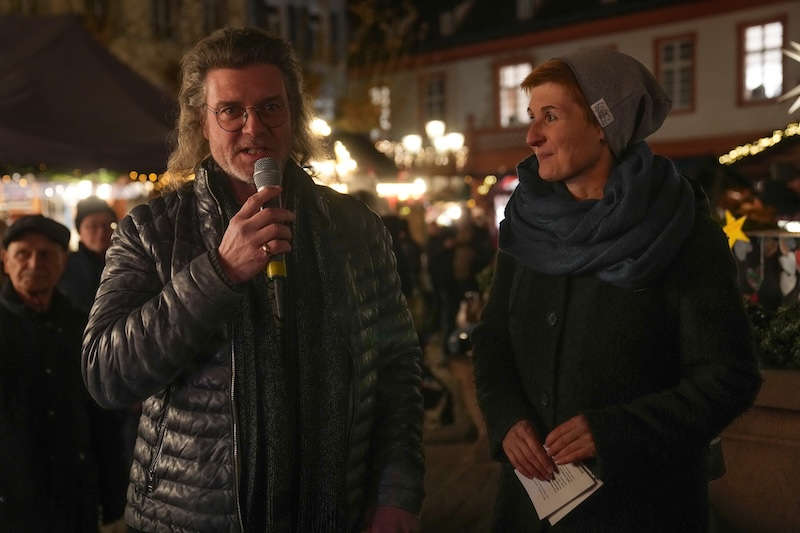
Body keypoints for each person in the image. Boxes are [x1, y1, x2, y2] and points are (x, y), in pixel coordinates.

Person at [82, 27, 424, 533]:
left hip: (335, 512)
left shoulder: (356, 229)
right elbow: (105, 374)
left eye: (270, 107)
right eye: (231, 111)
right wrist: (218, 274)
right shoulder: (152, 232)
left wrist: (396, 493)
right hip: (192, 518)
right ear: (202, 120)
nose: (253, 128)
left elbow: (396, 368)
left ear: (294, 113)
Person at [472, 49, 762, 532]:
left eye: (551, 116)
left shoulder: (681, 230)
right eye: (531, 117)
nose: (531, 136)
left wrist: (616, 431)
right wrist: (507, 420)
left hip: (643, 511)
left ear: (604, 123)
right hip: (530, 511)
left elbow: (729, 377)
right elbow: (493, 339)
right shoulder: (527, 225)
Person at [0, 215, 123, 532]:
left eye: (46, 254)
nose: (34, 263)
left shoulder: (82, 327)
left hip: (73, 497)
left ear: (62, 262)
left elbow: (103, 418)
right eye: (23, 254)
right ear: (6, 260)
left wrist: (114, 503)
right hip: (11, 500)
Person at [59, 195, 116, 312]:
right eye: (93, 226)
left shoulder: (126, 262)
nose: (101, 232)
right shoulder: (65, 266)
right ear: (79, 230)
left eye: (107, 225)